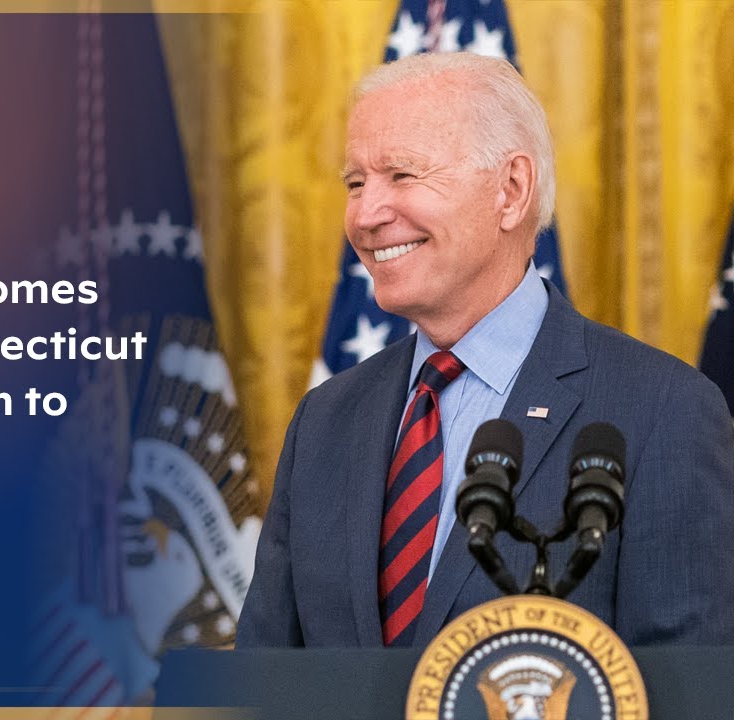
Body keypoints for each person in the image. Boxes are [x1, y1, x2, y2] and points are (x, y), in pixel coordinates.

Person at [236, 52, 734, 649]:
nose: (366, 215)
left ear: (511, 191)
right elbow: (263, 683)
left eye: (402, 175)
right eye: (355, 183)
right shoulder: (323, 421)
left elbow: (689, 692)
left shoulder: (664, 413)